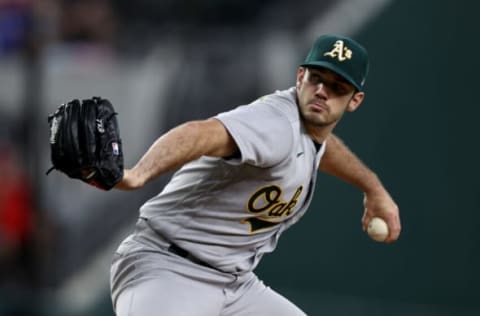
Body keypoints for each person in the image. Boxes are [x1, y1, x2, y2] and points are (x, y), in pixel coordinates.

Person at [110, 34, 401, 316]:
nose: (323, 91)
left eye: (337, 87)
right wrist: (137, 174)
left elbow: (325, 147)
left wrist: (372, 186)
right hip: (167, 270)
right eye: (317, 78)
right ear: (300, 77)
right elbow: (199, 134)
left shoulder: (310, 130)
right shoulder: (275, 124)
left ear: (354, 100)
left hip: (235, 285)